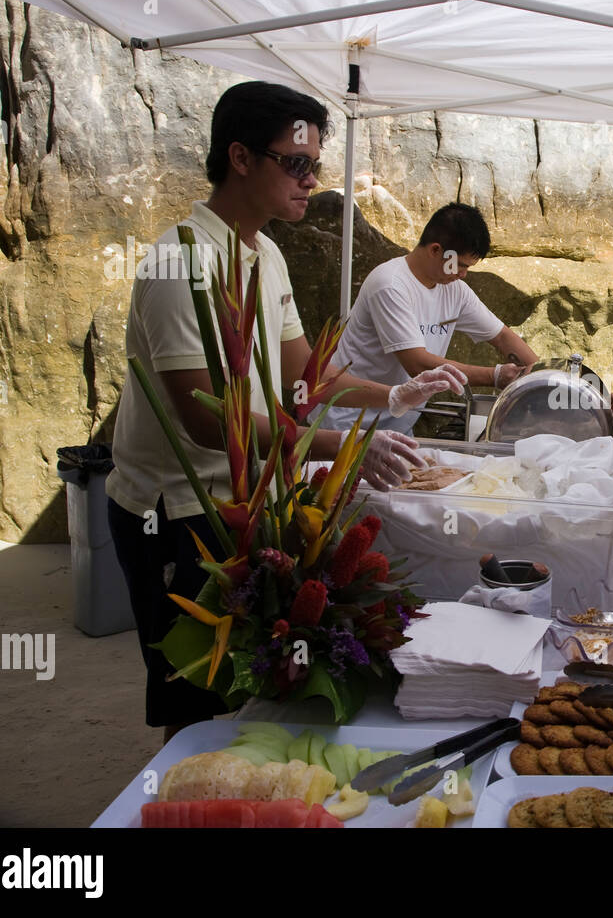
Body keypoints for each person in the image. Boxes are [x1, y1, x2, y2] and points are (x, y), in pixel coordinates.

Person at [106, 81, 462, 741]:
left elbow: (308, 371)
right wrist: (341, 447)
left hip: (250, 497)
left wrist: (392, 397)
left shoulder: (264, 253)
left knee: (256, 682)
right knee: (197, 695)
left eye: (315, 167)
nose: (310, 182)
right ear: (240, 158)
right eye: (296, 164)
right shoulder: (178, 263)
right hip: (181, 511)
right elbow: (210, 422)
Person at [318, 203, 539, 434]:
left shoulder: (455, 290)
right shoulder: (390, 285)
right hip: (345, 420)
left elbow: (503, 336)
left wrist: (544, 378)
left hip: (397, 423)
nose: (463, 274)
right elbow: (416, 363)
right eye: (460, 266)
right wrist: (495, 376)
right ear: (435, 250)